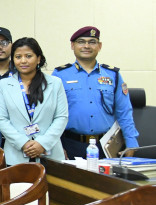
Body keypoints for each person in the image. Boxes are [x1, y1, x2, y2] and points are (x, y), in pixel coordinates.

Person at [52, 26, 140, 158]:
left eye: (92, 42)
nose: (86, 46)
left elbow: (124, 111)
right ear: (72, 45)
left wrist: (131, 143)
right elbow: (50, 113)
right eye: (81, 42)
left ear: (99, 46)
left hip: (107, 146)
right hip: (70, 144)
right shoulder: (59, 75)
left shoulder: (112, 75)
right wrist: (55, 146)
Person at [0, 38, 68, 165]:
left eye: (28, 56)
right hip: (16, 155)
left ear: (38, 59)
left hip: (49, 154)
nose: (23, 61)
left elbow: (61, 117)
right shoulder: (4, 85)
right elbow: (1, 119)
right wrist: (23, 143)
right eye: (18, 57)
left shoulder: (55, 83)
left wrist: (42, 144)